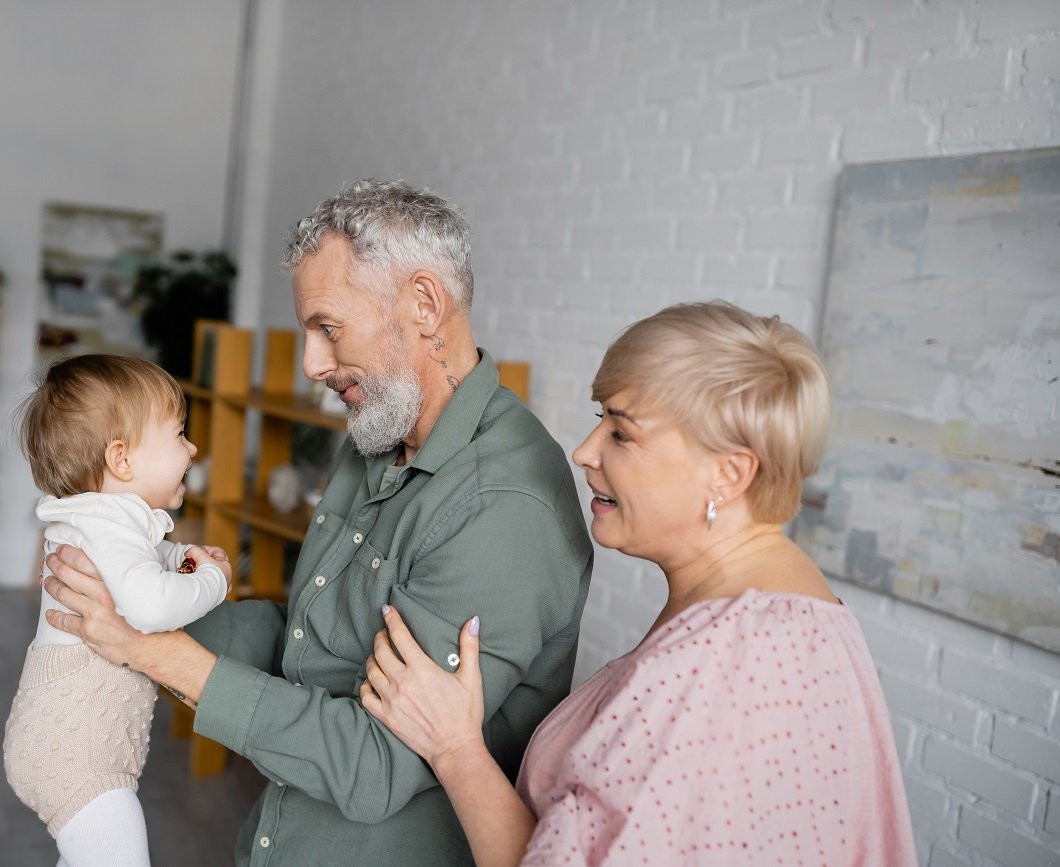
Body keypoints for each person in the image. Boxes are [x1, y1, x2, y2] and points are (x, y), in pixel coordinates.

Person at [40, 179, 595, 865]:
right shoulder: (379, 432)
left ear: (424, 305)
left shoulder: (503, 504)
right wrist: (126, 604)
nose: (312, 365)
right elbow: (307, 639)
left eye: (328, 329)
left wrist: (153, 652)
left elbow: (378, 763)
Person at [361, 301, 918, 866]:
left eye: (622, 433)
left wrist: (455, 748)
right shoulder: (791, 612)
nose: (584, 451)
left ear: (728, 473)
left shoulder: (726, 666)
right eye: (599, 418)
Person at [3, 354, 230, 867]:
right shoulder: (107, 526)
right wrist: (213, 580)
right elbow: (150, 605)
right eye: (179, 434)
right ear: (122, 460)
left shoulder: (105, 522)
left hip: (69, 742)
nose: (193, 448)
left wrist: (184, 558)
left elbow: (144, 564)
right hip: (76, 753)